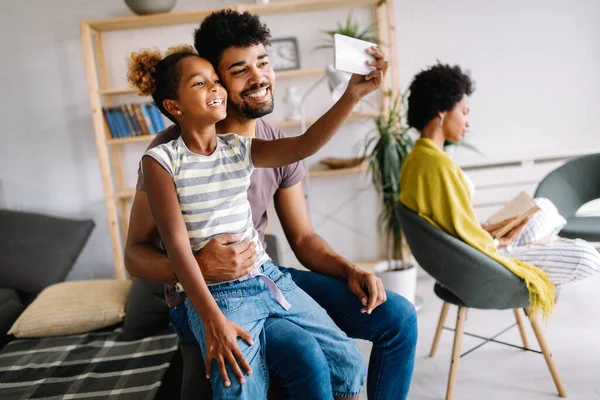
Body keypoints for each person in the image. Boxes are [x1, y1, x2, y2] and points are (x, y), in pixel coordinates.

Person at [125, 9, 417, 400]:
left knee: (398, 317)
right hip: (201, 291)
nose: (259, 77)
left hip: (262, 276)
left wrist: (349, 269)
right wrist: (201, 267)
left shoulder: (265, 145)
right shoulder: (166, 154)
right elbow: (135, 256)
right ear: (215, 79)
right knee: (302, 356)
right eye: (240, 69)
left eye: (263, 62)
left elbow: (303, 236)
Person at [400, 63, 600, 317]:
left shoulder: (418, 158)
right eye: (464, 111)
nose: (467, 122)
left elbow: (449, 225)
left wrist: (489, 229)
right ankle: (532, 247)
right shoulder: (436, 164)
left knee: (545, 207)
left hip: (468, 252)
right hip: (480, 263)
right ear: (442, 111)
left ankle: (538, 243)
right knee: (588, 256)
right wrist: (496, 241)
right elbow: (461, 236)